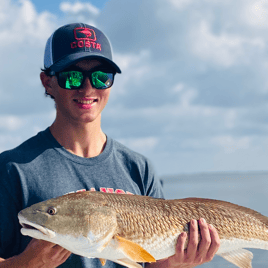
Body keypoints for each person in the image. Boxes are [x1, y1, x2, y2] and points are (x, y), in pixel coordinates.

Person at [0, 23, 220, 268]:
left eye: (100, 76)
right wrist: (22, 264)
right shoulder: (11, 168)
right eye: (72, 76)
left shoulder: (138, 167)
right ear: (47, 82)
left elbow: (151, 264)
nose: (87, 88)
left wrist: (178, 262)